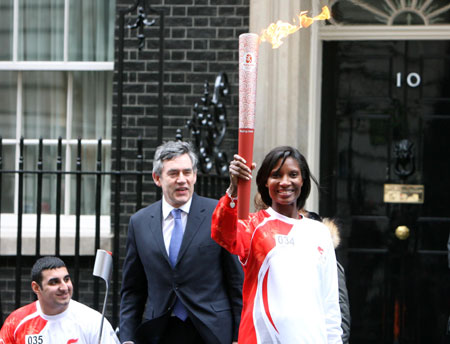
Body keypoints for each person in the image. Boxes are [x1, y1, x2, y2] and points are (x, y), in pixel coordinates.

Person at [211, 146, 343, 343]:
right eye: (276, 175)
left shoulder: (319, 232)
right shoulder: (253, 226)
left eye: (293, 175)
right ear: (265, 181)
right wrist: (233, 189)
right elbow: (222, 233)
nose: (285, 182)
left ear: (302, 180)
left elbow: (330, 303)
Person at [120, 140, 243, 344]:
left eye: (187, 172)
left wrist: (239, 337)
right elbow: (133, 290)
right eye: (173, 173)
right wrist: (127, 339)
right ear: (157, 178)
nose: (182, 180)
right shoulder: (139, 223)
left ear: (195, 175)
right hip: (160, 331)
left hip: (212, 331)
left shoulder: (218, 215)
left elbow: (237, 282)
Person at [0, 256, 119, 344]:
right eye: (54, 282)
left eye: (66, 279)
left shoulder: (93, 322)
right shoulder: (16, 322)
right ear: (36, 287)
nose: (64, 287)